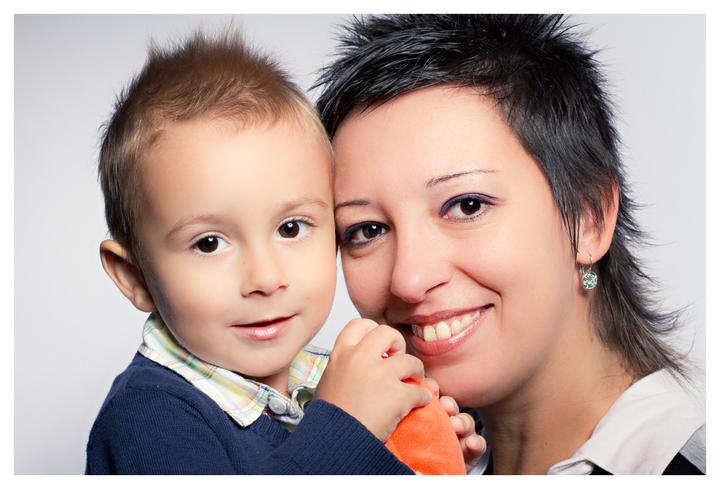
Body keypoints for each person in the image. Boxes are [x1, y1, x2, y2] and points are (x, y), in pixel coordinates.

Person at [315, 14, 705, 475]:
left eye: (466, 206)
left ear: (589, 218)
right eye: (367, 230)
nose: (409, 279)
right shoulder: (403, 458)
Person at [85, 29, 481, 474]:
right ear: (135, 277)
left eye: (291, 228)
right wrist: (348, 427)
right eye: (209, 243)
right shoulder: (149, 419)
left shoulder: (324, 382)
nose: (266, 278)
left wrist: (412, 459)